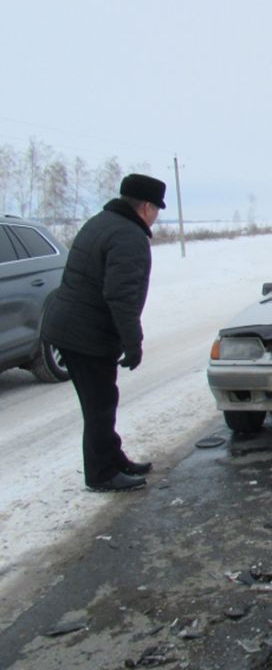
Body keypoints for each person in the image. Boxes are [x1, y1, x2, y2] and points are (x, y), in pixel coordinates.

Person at [42, 173, 166, 492]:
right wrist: (133, 342)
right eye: (157, 209)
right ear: (147, 206)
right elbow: (121, 295)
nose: (156, 216)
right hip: (86, 334)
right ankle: (101, 474)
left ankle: (113, 458)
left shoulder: (101, 222)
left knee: (102, 399)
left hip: (73, 328)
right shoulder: (128, 236)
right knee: (99, 405)